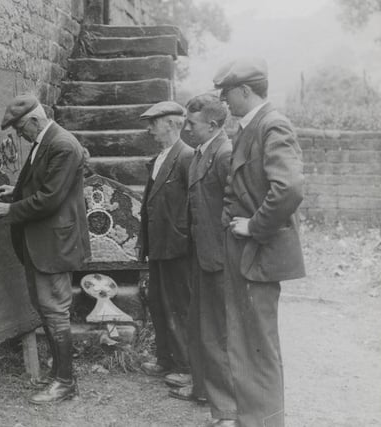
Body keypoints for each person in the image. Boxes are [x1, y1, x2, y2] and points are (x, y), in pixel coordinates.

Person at [214, 57, 305, 427]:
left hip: (258, 250)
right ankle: (251, 418)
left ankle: (265, 422)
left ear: (245, 91)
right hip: (244, 251)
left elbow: (289, 189)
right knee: (243, 340)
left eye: (227, 95)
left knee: (259, 345)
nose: (225, 103)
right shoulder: (249, 127)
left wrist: (254, 227)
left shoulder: (272, 125)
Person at [0, 94, 91, 404]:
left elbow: (50, 198)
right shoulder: (44, 142)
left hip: (54, 246)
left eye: (20, 129)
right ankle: (60, 373)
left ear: (34, 121)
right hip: (41, 244)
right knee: (46, 308)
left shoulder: (62, 145)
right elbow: (40, 183)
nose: (20, 135)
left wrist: (11, 210)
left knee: (55, 312)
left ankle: (65, 382)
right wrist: (15, 191)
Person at [180, 94, 237, 427]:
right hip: (202, 254)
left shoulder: (225, 154)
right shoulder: (204, 151)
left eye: (192, 123)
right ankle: (203, 390)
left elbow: (237, 202)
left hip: (219, 256)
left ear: (213, 125)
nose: (187, 129)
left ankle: (228, 410)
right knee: (200, 326)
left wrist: (223, 237)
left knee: (219, 333)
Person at [136, 101, 196, 395]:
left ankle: (185, 367)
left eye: (154, 123)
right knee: (159, 302)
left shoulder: (186, 157)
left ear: (173, 124)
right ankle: (165, 360)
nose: (149, 130)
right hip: (158, 246)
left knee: (179, 307)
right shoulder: (160, 158)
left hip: (177, 248)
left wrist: (183, 238)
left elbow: (195, 205)